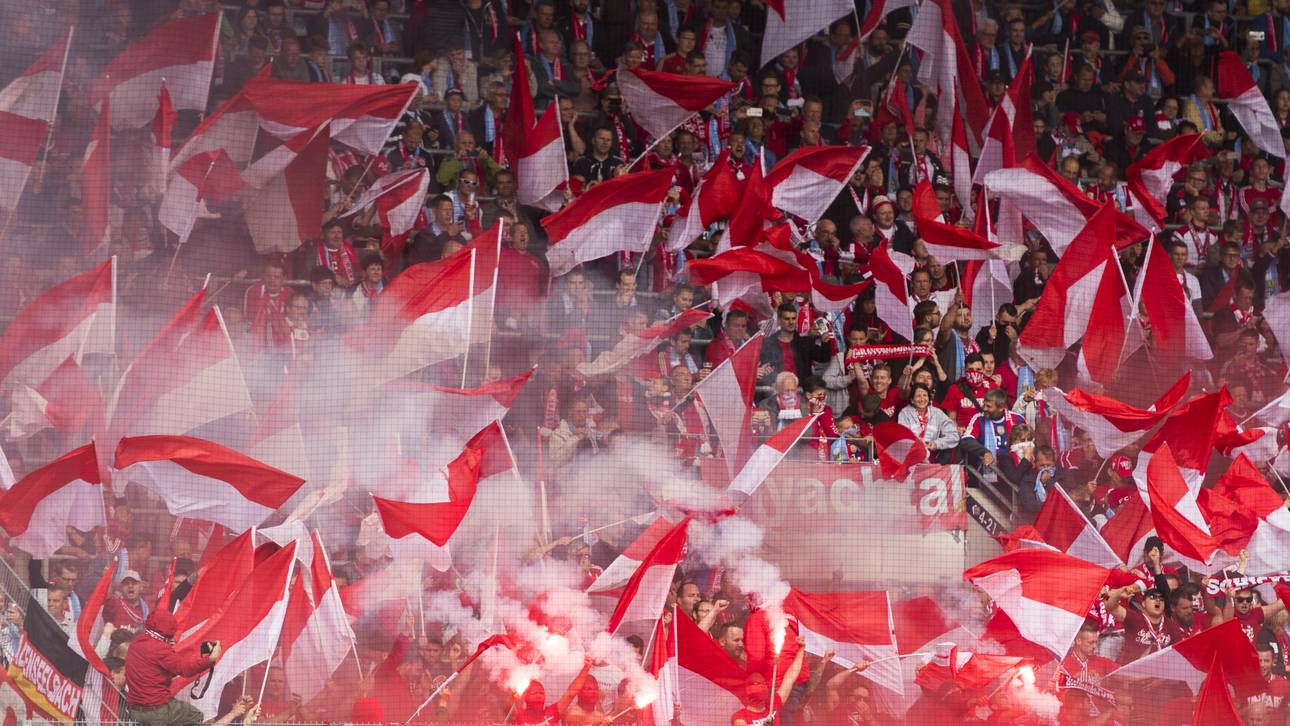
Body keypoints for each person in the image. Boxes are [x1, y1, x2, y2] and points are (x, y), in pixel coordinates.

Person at [125, 608, 222, 726]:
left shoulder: (136, 643)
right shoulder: (160, 649)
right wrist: (210, 659)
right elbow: (185, 669)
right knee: (195, 715)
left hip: (135, 710)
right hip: (157, 710)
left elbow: (153, 669)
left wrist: (167, 647)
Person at [731, 634, 807, 726]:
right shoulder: (740, 717)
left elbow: (790, 678)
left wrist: (801, 649)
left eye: (761, 683)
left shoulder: (773, 704)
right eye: (755, 684)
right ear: (747, 690)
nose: (759, 687)